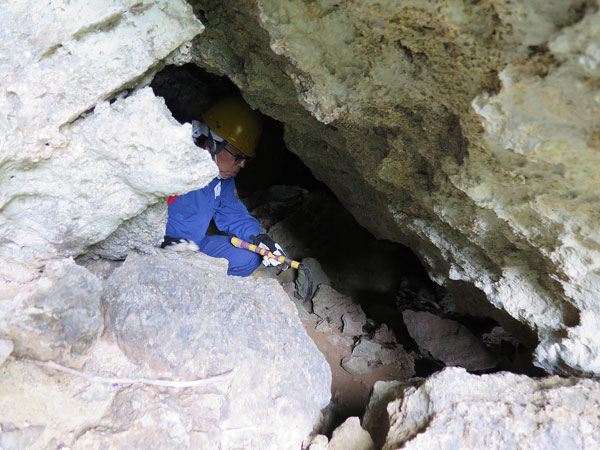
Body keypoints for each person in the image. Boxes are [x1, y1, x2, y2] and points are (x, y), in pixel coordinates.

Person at [162, 96, 287, 276]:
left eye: (245, 159)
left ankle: (194, 278)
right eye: (238, 156)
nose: (242, 164)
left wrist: (260, 239)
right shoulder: (174, 165)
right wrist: (161, 243)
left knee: (250, 257)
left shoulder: (221, 180)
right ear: (213, 143)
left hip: (195, 246)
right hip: (161, 245)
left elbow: (233, 214)